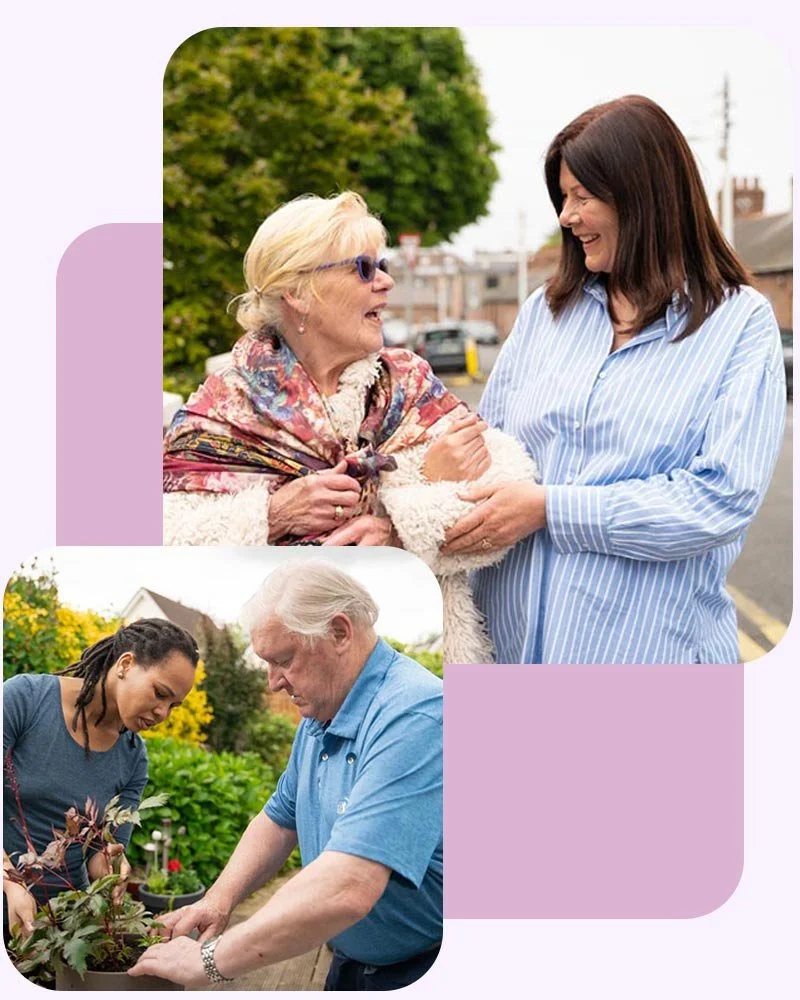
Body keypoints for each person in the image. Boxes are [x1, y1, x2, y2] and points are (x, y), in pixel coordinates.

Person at [443, 95, 786, 664]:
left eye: (582, 196)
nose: (565, 217)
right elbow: (491, 445)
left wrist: (551, 508)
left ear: (642, 197)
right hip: (505, 659)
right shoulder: (544, 314)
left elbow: (720, 499)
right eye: (562, 197)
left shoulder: (739, 323)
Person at [163, 191, 536, 662]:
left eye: (383, 266)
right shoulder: (222, 408)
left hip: (428, 656)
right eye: (363, 268)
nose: (385, 282)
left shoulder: (408, 383)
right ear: (298, 292)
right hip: (285, 665)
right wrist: (273, 514)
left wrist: (397, 528)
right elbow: (167, 536)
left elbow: (509, 493)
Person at [129, 562, 442, 991]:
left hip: (416, 971)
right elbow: (280, 818)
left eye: (283, 660)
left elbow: (349, 885)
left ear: (338, 632)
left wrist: (209, 960)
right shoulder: (321, 716)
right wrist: (217, 901)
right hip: (350, 965)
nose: (274, 682)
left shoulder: (415, 714)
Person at [3, 619, 199, 941]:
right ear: (126, 664)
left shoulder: (134, 757)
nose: (164, 713)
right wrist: (10, 882)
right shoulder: (24, 699)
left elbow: (100, 851)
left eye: (173, 705)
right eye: (160, 693)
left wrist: (110, 867)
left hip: (68, 924)